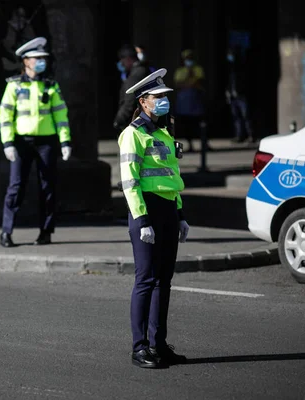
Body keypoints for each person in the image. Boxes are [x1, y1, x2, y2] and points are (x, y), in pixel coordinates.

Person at [118, 68, 190, 368]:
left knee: (164, 281)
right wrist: (142, 219)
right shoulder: (133, 134)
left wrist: (181, 214)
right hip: (146, 211)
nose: (163, 101)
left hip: (168, 211)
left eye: (165, 97)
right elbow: (129, 181)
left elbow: (171, 178)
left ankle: (158, 344)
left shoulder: (162, 132)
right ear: (143, 101)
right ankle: (139, 348)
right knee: (146, 280)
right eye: (157, 97)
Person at [0, 37, 71, 248]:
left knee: (47, 187)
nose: (41, 62)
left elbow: (61, 115)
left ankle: (46, 232)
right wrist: (8, 143)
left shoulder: (50, 85)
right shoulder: (14, 86)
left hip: (46, 142)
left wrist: (65, 141)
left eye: (43, 58)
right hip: (21, 142)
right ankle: (6, 232)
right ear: (26, 61)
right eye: (37, 58)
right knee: (15, 187)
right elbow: (5, 116)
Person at [173, 49, 206, 152]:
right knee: (186, 124)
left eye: (190, 58)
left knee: (199, 123)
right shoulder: (179, 71)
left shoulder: (198, 69)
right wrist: (189, 82)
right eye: (186, 58)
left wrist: (189, 79)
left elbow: (199, 82)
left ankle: (204, 144)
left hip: (196, 100)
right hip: (184, 101)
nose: (188, 60)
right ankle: (190, 144)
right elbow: (178, 84)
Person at [113, 45, 151, 132]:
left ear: (128, 59)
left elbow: (129, 101)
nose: (121, 63)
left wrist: (119, 120)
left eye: (122, 60)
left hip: (135, 123)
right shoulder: (142, 70)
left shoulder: (135, 75)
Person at [225, 46, 254, 143]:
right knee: (236, 117)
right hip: (233, 97)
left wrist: (242, 91)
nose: (229, 57)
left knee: (246, 116)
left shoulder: (242, 67)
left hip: (242, 96)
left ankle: (251, 135)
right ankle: (239, 136)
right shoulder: (230, 68)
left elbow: (246, 82)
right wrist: (228, 91)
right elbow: (230, 82)